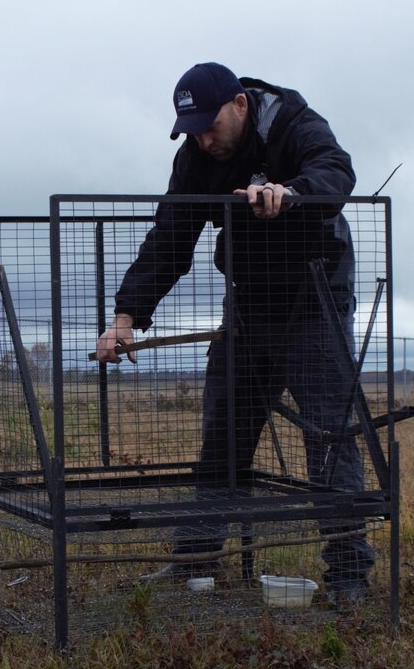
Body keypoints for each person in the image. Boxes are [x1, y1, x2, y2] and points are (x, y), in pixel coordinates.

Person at [93, 62, 374, 600]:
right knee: (222, 437)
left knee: (329, 439)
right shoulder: (197, 157)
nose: (203, 138)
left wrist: (292, 192)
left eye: (209, 124)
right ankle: (194, 563)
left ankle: (348, 577)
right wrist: (125, 317)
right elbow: (170, 238)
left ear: (240, 104)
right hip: (249, 306)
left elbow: (336, 171)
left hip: (314, 300)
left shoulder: (293, 123)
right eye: (191, 129)